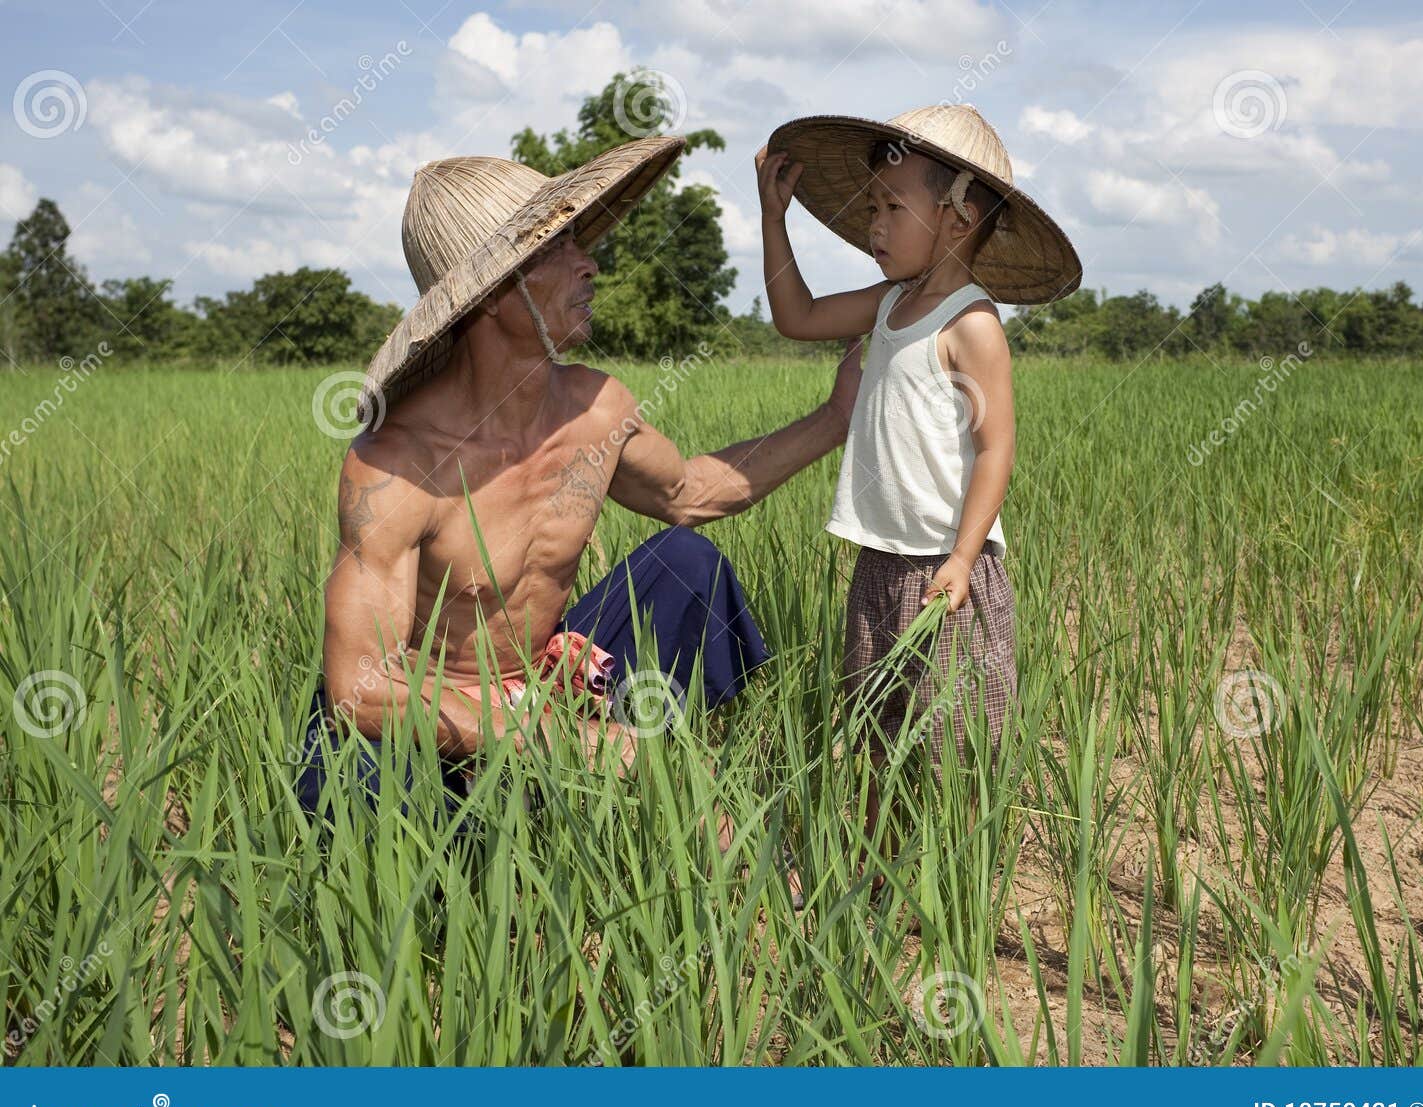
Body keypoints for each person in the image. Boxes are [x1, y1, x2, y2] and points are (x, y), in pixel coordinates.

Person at [299, 142, 862, 908]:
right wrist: (547, 736)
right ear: (495, 293)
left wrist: (835, 417)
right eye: (559, 247)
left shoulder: (597, 408)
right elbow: (360, 687)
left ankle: (632, 798)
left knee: (686, 561)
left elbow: (693, 490)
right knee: (358, 779)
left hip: (546, 681)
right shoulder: (399, 465)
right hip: (437, 713)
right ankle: (496, 860)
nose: (590, 264)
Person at [756, 102, 1081, 862]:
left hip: (946, 578)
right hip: (879, 566)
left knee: (950, 751)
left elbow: (995, 450)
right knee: (875, 740)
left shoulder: (972, 327)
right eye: (871, 206)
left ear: (960, 215)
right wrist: (775, 218)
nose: (873, 224)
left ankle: (954, 888)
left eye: (891, 206)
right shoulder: (888, 306)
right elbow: (794, 315)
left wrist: (964, 559)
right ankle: (876, 881)